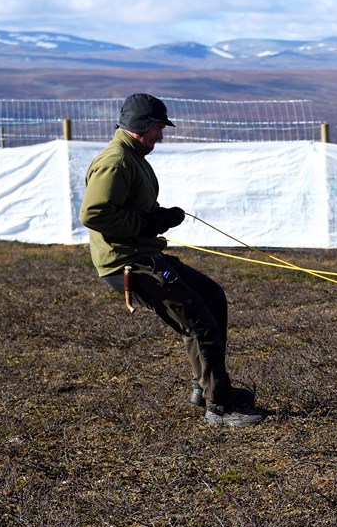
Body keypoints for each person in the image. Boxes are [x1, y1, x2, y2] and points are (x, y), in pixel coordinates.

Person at [79, 93, 265, 427]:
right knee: (197, 321)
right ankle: (219, 407)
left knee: (212, 297)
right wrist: (147, 224)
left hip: (143, 254)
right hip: (127, 264)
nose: (161, 136)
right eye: (158, 129)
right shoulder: (116, 161)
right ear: (142, 127)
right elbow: (94, 213)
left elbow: (128, 206)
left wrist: (159, 217)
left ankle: (206, 385)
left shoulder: (133, 156)